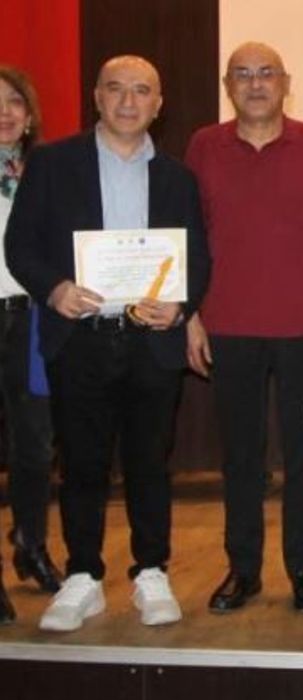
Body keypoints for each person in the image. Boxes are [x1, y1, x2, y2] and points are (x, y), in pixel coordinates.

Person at [5, 55, 211, 631]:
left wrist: (182, 305)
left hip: (151, 339)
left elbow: (198, 255)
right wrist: (54, 289)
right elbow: (20, 245)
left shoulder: (177, 177)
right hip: (80, 339)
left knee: (150, 462)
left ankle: (152, 571)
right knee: (81, 463)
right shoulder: (53, 164)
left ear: (158, 104)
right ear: (96, 97)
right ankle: (83, 575)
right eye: (115, 89)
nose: (128, 101)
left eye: (141, 90)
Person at [185, 42, 303, 614]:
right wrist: (192, 315)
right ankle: (243, 569)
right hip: (228, 328)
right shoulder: (204, 146)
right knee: (240, 456)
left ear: (286, 82)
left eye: (266, 74)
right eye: (243, 74)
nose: (255, 84)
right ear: (228, 86)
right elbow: (189, 237)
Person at [0, 65, 60, 623]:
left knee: (36, 445)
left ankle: (30, 541)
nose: (5, 112)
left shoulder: (46, 170)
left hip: (33, 318)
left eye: (15, 101)